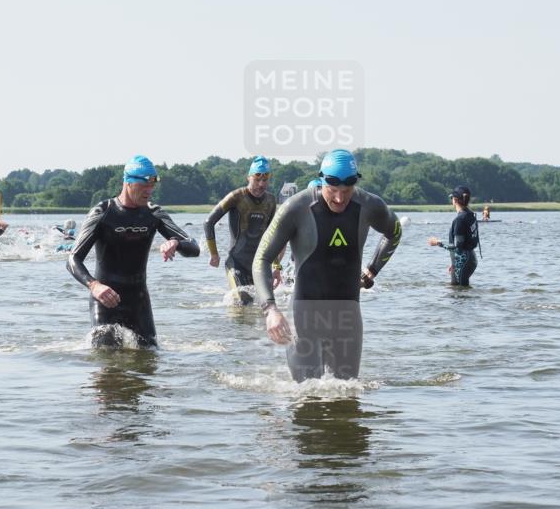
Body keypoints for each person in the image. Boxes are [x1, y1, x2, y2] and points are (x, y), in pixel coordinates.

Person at [253, 149, 402, 381]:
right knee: (305, 395)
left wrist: (372, 270)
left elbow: (394, 232)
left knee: (347, 396)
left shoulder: (369, 205)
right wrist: (270, 310)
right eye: (333, 191)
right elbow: (261, 258)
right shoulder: (296, 207)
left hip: (348, 315)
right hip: (304, 314)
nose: (341, 199)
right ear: (321, 180)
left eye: (347, 191)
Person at [67, 154, 200, 348]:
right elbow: (73, 259)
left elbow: (194, 248)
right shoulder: (103, 212)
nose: (149, 191)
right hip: (106, 301)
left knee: (148, 363)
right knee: (106, 365)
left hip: (138, 302)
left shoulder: (154, 213)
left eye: (152, 186)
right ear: (128, 182)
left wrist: (175, 243)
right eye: (144, 185)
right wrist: (94, 286)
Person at [203, 156, 281, 304]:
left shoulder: (271, 201)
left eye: (265, 181)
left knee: (265, 305)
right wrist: (214, 254)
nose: (261, 184)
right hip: (236, 263)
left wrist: (276, 266)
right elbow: (208, 222)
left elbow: (273, 236)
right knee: (244, 302)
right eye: (257, 180)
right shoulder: (236, 197)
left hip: (259, 265)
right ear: (248, 178)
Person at [428, 185, 479, 286]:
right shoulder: (470, 214)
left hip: (463, 261)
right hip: (469, 258)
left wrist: (438, 243)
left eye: (452, 198)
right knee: (457, 291)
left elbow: (457, 247)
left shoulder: (460, 220)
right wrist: (453, 263)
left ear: (455, 200)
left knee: (460, 294)